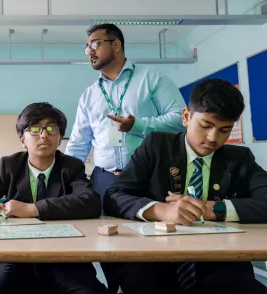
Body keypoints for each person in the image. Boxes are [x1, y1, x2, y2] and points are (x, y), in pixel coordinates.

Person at [103, 78, 267, 294]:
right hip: (154, 259)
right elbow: (114, 195)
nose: (212, 138)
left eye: (224, 130)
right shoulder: (157, 146)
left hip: (220, 260)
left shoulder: (239, 158)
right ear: (186, 117)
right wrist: (163, 211)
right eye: (206, 125)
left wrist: (211, 209)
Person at [0, 102, 106, 294]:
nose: (44, 135)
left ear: (59, 137)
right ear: (22, 139)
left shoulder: (71, 167)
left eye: (52, 128)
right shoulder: (9, 166)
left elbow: (90, 202)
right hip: (10, 254)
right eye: (34, 129)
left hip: (63, 256)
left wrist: (32, 209)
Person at [65, 23, 186, 202]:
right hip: (104, 179)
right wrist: (65, 179)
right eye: (87, 48)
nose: (90, 52)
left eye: (95, 44)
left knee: (152, 227)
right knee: (104, 228)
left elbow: (180, 119)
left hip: (149, 177)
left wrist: (137, 125)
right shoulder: (88, 96)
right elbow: (78, 144)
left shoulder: (150, 78)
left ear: (116, 45)